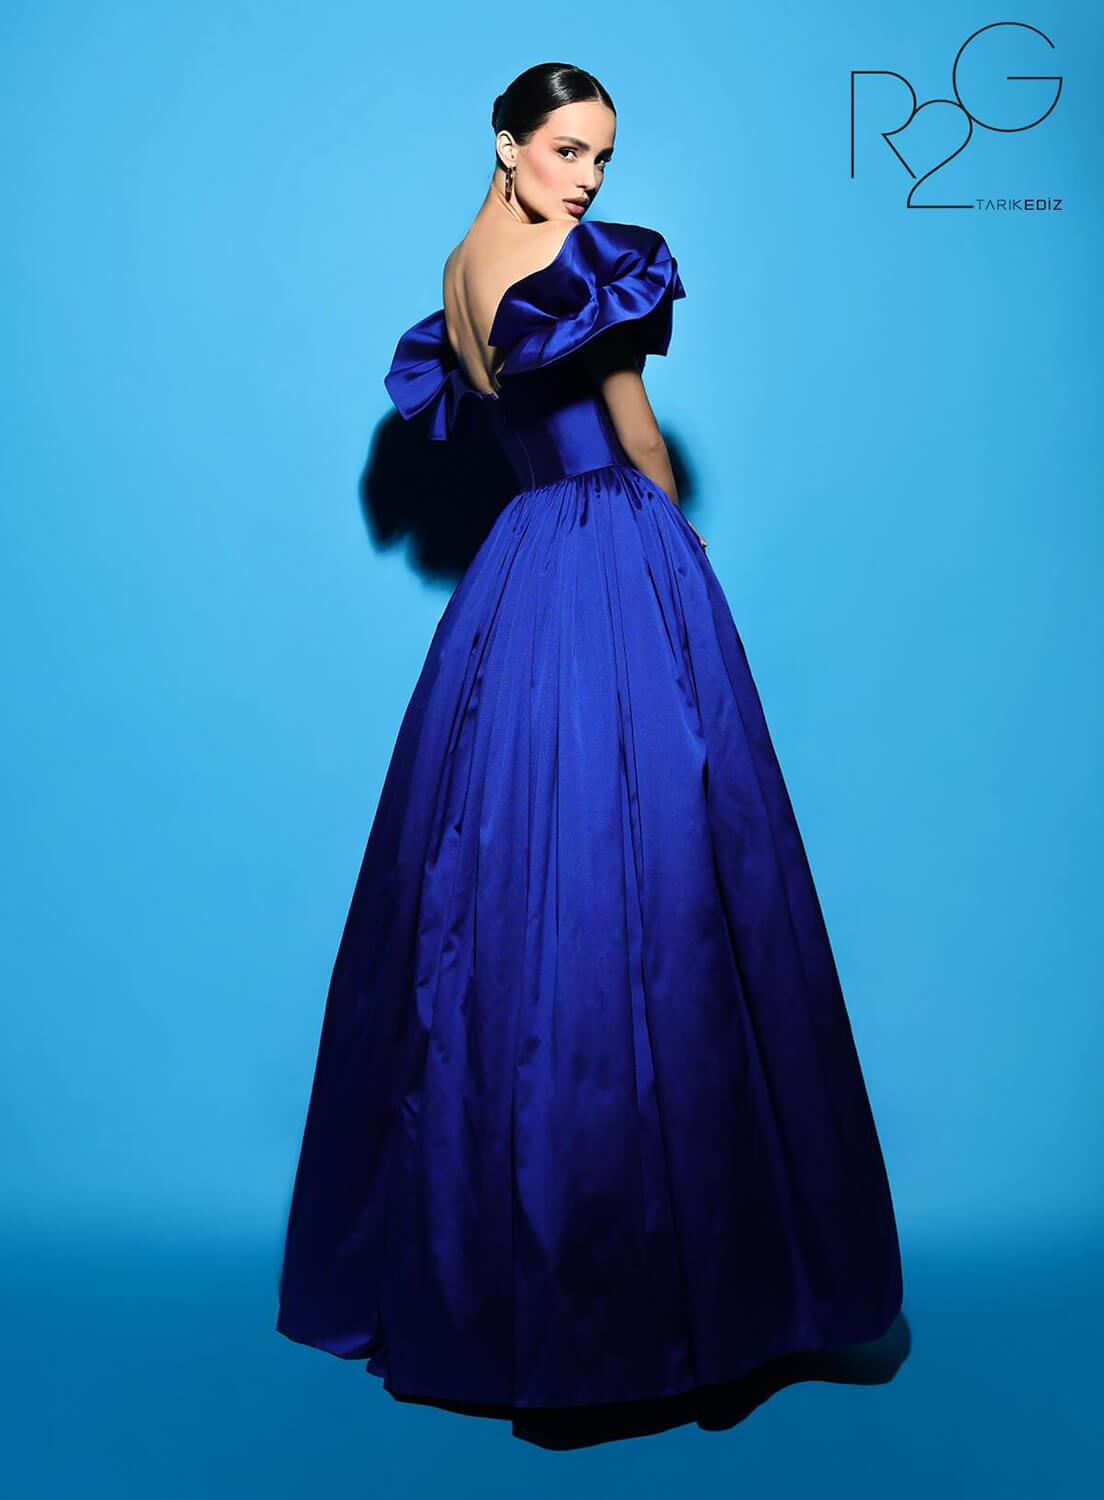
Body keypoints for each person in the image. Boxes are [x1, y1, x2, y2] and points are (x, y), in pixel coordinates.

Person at [276, 61, 905, 1448]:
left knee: (506, 889)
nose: (588, 180)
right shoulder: (581, 272)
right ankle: (695, 1298)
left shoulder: (459, 274)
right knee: (666, 884)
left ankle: (498, 1281)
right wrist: (680, 556)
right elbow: (636, 441)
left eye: (603, 158)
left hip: (517, 578)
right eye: (566, 149)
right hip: (613, 555)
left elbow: (512, 428)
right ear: (506, 142)